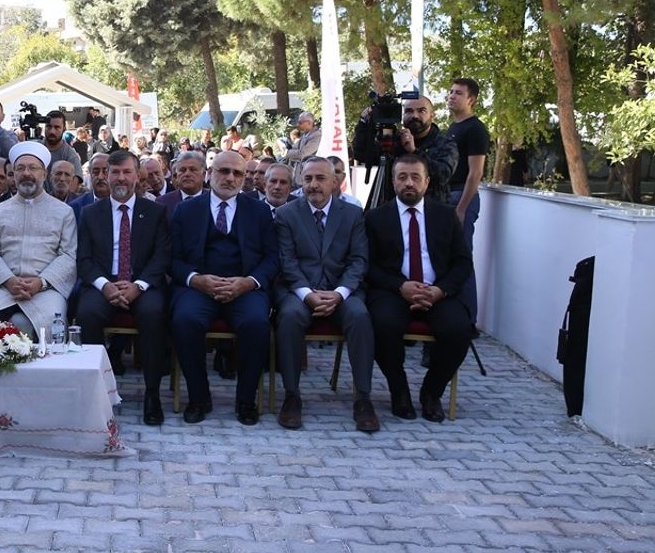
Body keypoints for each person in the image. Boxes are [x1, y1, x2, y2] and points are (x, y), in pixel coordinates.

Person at [169, 151, 277, 426]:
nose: (230, 178)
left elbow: (272, 258)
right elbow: (172, 259)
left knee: (256, 323)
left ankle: (246, 400)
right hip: (199, 287)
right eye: (223, 171)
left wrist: (248, 282)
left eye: (237, 173)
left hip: (244, 287)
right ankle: (199, 398)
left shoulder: (259, 211)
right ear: (209, 174)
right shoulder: (186, 210)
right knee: (185, 320)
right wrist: (196, 279)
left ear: (245, 178)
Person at [365, 154, 475, 422]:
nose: (409, 183)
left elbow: (463, 262)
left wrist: (440, 291)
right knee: (381, 325)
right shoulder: (375, 217)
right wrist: (400, 286)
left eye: (415, 177)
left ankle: (431, 392)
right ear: (393, 182)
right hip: (393, 291)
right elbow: (368, 265)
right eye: (402, 177)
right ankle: (399, 390)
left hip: (437, 292)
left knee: (459, 329)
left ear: (427, 182)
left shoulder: (446, 216)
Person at [273, 156, 379, 433]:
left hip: (341, 291)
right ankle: (292, 396)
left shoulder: (353, 215)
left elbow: (358, 260)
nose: (313, 185)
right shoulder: (286, 214)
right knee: (289, 316)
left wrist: (340, 293)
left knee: (360, 316)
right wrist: (307, 294)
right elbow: (287, 261)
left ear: (335, 182)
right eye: (308, 179)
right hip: (299, 291)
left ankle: (363, 399)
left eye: (320, 178)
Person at [76, 150, 171, 425]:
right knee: (87, 314)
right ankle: (95, 394)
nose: (120, 178)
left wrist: (138, 286)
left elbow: (162, 256)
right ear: (106, 175)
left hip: (142, 285)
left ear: (137, 175)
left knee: (153, 314)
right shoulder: (90, 214)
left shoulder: (155, 212)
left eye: (127, 172)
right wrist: (105, 286)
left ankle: (152, 393)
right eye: (115, 172)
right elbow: (84, 259)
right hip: (103, 284)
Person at [0, 142, 78, 339]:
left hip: (47, 289)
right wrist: (9, 280)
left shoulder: (64, 212)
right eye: (20, 168)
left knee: (51, 322)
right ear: (13, 174)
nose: (26, 173)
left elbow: (67, 255)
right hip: (4, 287)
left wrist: (41, 282)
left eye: (33, 168)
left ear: (44, 174)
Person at [352, 95, 458, 205]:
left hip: (431, 208)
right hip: (392, 208)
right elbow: (361, 154)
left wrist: (414, 151)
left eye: (421, 111)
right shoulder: (394, 139)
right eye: (409, 111)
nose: (415, 116)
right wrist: (363, 124)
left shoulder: (445, 143)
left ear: (432, 115)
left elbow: (443, 175)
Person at [446, 77, 488, 322]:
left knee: (462, 257)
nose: (452, 96)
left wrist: (461, 208)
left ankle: (467, 319)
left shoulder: (475, 129)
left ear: (471, 99)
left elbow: (476, 172)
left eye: (458, 93)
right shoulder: (454, 127)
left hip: (461, 197)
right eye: (451, 91)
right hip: (447, 196)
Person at [156, 151, 207, 219]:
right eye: (182, 170)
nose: (187, 174)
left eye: (193, 170)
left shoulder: (214, 200)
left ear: (203, 175)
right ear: (177, 176)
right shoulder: (162, 203)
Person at [42, 110, 82, 180]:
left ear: (64, 129)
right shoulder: (35, 149)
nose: (52, 131)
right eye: (49, 126)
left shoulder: (70, 156)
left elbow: (75, 182)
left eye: (57, 127)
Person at [68, 153, 109, 221]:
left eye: (105, 172)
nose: (100, 177)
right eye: (96, 172)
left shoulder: (122, 205)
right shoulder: (76, 207)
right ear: (90, 173)